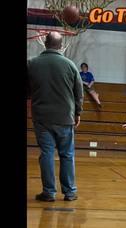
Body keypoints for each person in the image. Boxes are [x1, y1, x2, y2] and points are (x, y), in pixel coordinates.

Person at [28, 32, 83, 202]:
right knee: (67, 154)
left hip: (42, 117)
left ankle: (49, 192)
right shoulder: (70, 65)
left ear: (45, 43)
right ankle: (69, 192)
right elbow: (79, 92)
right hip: (65, 117)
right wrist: (78, 112)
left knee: (46, 153)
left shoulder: (31, 64)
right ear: (61, 45)